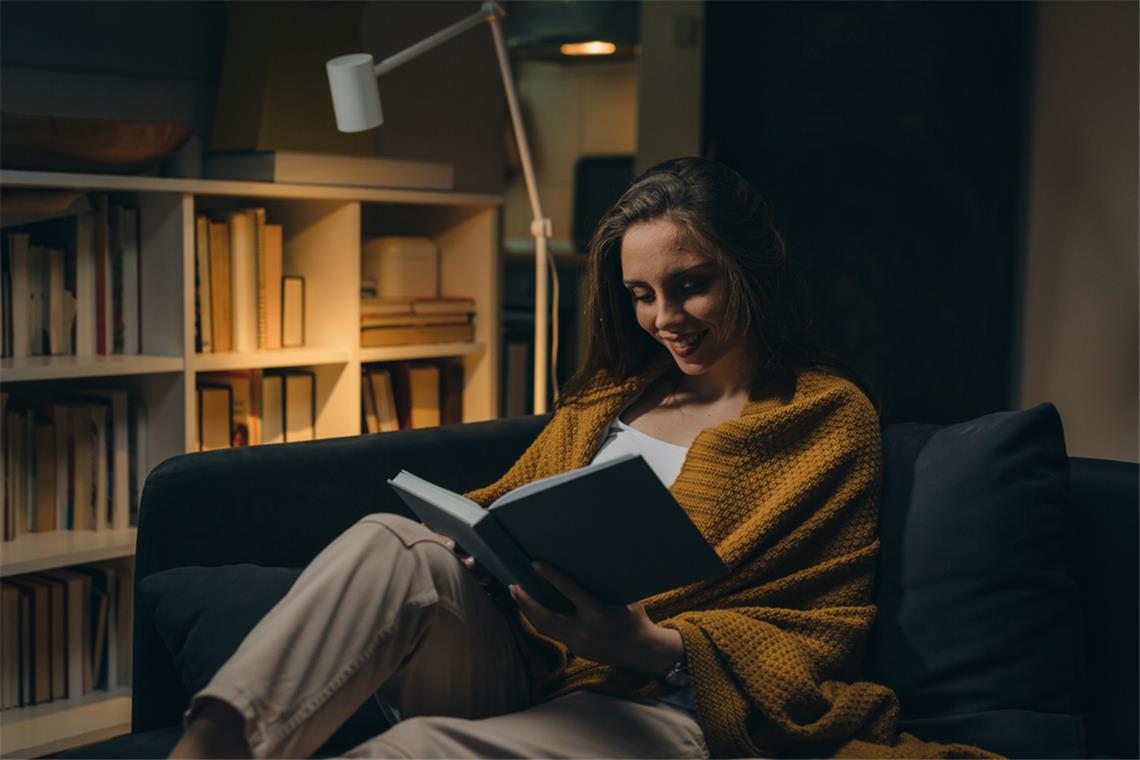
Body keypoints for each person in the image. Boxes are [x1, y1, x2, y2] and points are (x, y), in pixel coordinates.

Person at [171, 157, 994, 759]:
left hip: (678, 708)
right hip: (536, 664)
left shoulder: (823, 418)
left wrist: (645, 644)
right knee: (393, 542)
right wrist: (480, 542)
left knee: (414, 752)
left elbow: (821, 632)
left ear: (751, 273)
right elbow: (508, 506)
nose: (664, 318)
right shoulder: (608, 402)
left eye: (691, 285)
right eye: (641, 295)